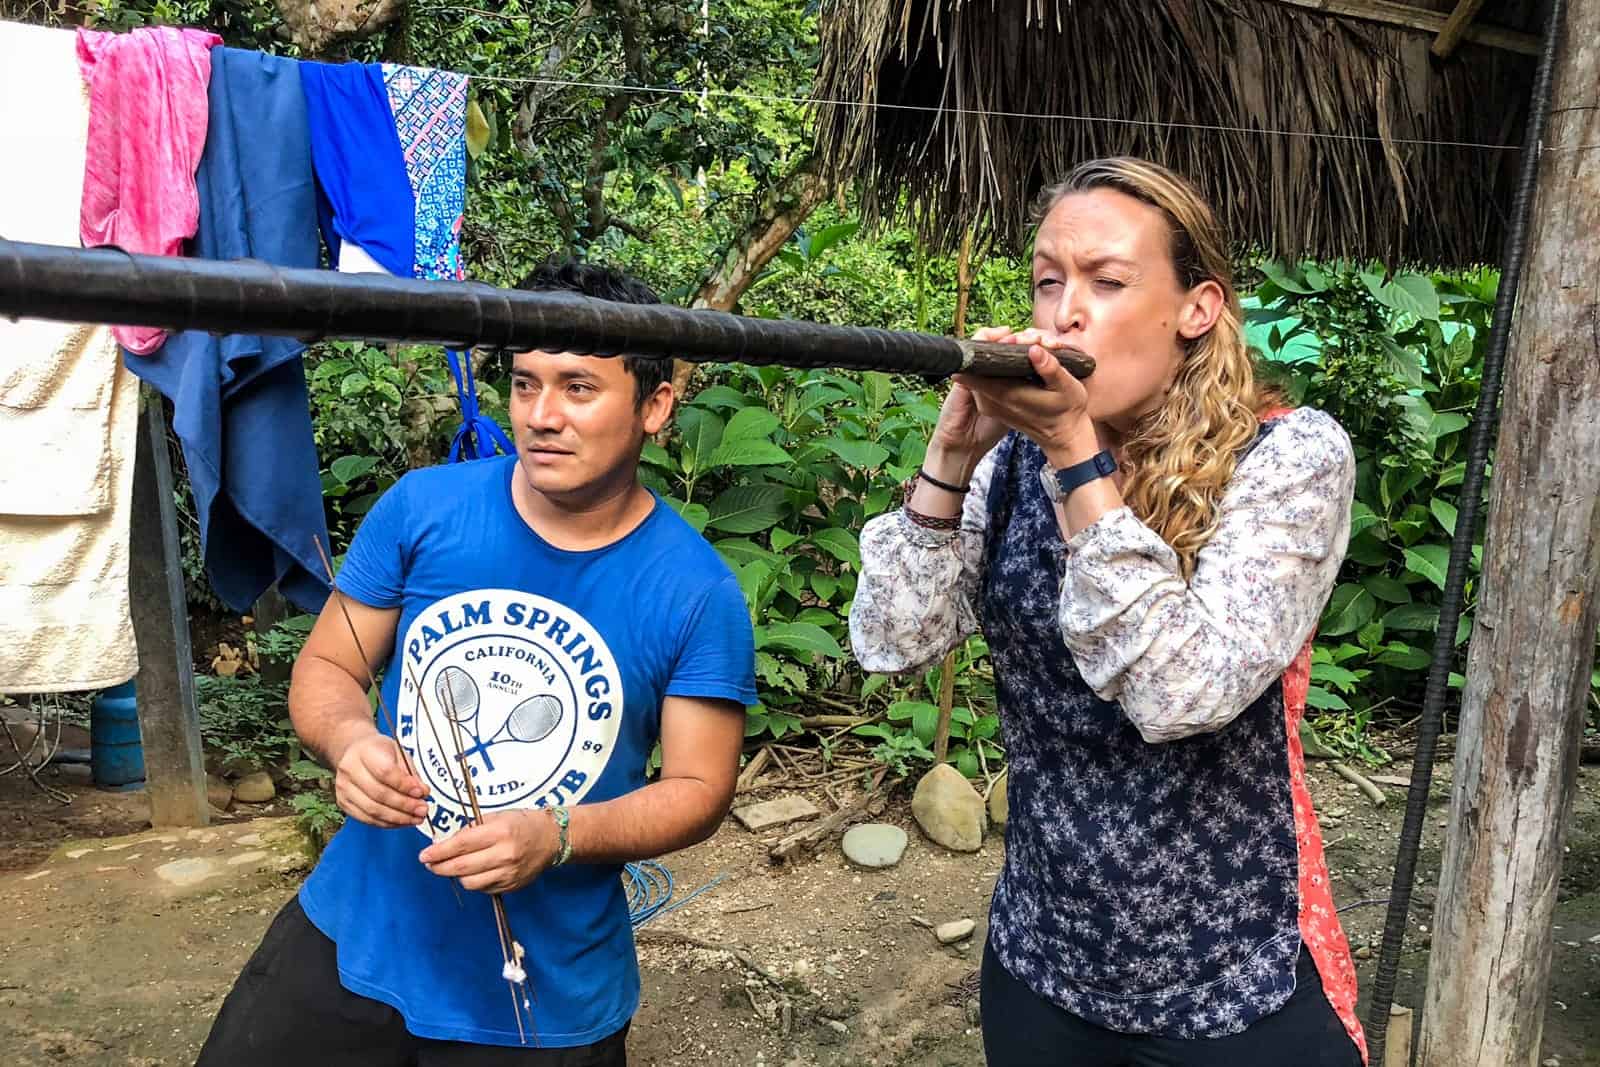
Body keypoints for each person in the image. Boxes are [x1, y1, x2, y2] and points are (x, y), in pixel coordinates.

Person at [849, 158, 1366, 1066]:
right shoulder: (1011, 464)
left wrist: (1073, 456)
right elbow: (892, 641)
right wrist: (948, 456)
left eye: (1107, 281)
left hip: (1229, 975)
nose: (1065, 313)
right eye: (1049, 281)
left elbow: (1181, 691)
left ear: (1195, 309)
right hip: (1045, 956)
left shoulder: (1286, 459)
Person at [197, 261, 756, 1066]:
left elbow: (700, 789)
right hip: (354, 937)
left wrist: (559, 833)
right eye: (525, 385)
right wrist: (352, 741)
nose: (542, 416)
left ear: (655, 405)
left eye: (577, 387)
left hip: (546, 1000)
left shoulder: (696, 590)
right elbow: (325, 668)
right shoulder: (424, 509)